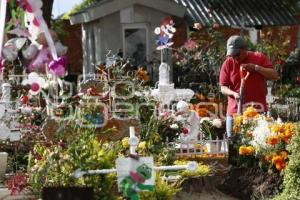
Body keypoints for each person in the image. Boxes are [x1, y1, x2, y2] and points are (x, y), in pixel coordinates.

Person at [219, 35, 278, 137]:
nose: (234, 58)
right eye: (231, 55)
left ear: (244, 49)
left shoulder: (259, 57)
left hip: (257, 111)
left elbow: (274, 75)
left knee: (258, 143)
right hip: (235, 111)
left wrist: (256, 68)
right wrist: (233, 93)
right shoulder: (228, 63)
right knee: (233, 143)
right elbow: (223, 88)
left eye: (237, 54)